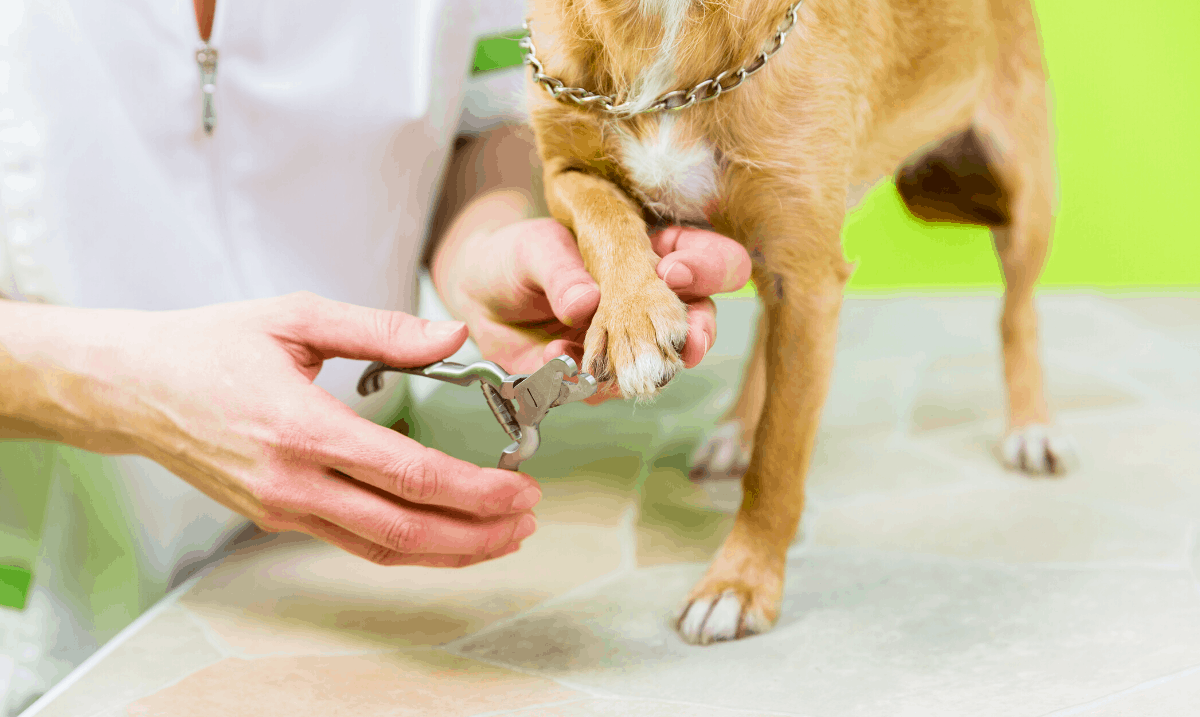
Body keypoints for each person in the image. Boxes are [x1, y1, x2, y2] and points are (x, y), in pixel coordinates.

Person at [0, 0, 751, 710]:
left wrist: (481, 251)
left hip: (354, 584)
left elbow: (485, 119)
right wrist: (129, 389)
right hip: (52, 622)